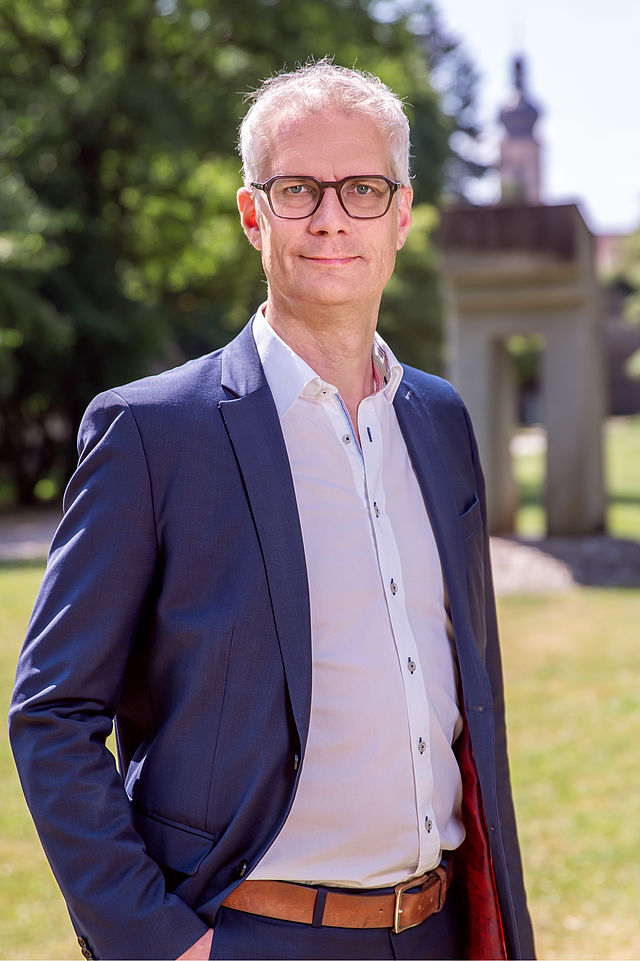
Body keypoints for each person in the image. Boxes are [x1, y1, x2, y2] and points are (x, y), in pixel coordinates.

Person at [9, 61, 535, 961]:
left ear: (402, 215)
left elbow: (471, 700)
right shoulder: (151, 433)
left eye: (363, 189)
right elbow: (52, 713)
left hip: (445, 928)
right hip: (255, 937)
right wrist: (155, 940)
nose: (332, 217)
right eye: (298, 189)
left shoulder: (442, 420)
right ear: (254, 216)